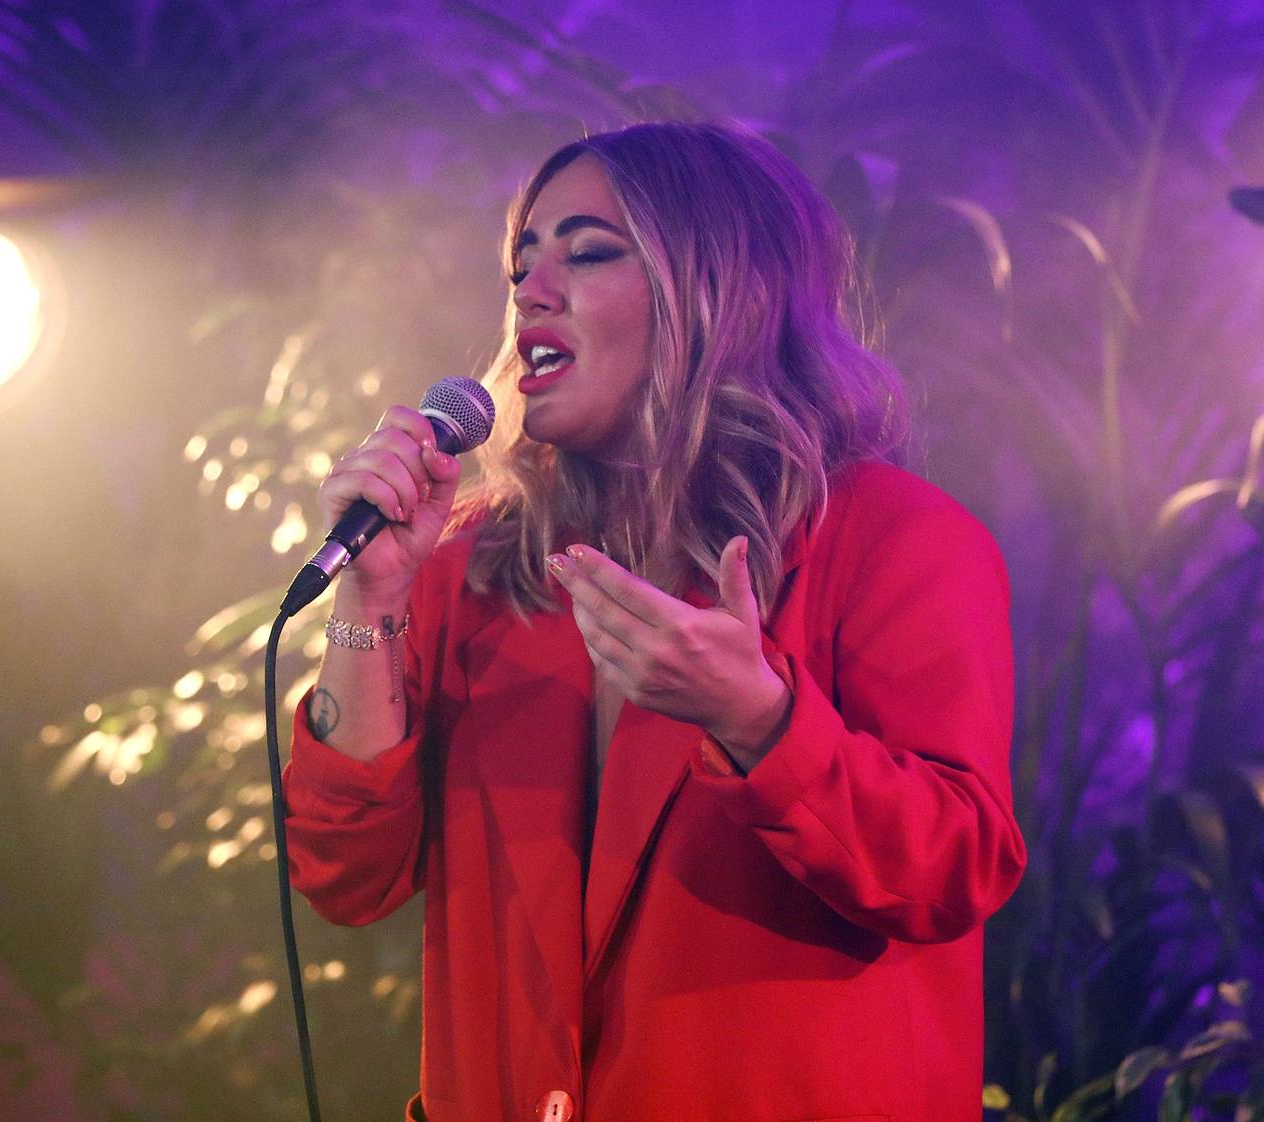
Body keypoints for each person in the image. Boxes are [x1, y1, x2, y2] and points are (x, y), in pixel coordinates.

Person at [282, 121, 1026, 1122]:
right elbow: (345, 874)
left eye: (587, 252)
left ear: (721, 295)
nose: (530, 291)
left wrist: (760, 721)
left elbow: (951, 869)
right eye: (520, 263)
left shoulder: (894, 541)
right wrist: (367, 601)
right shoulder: (473, 571)